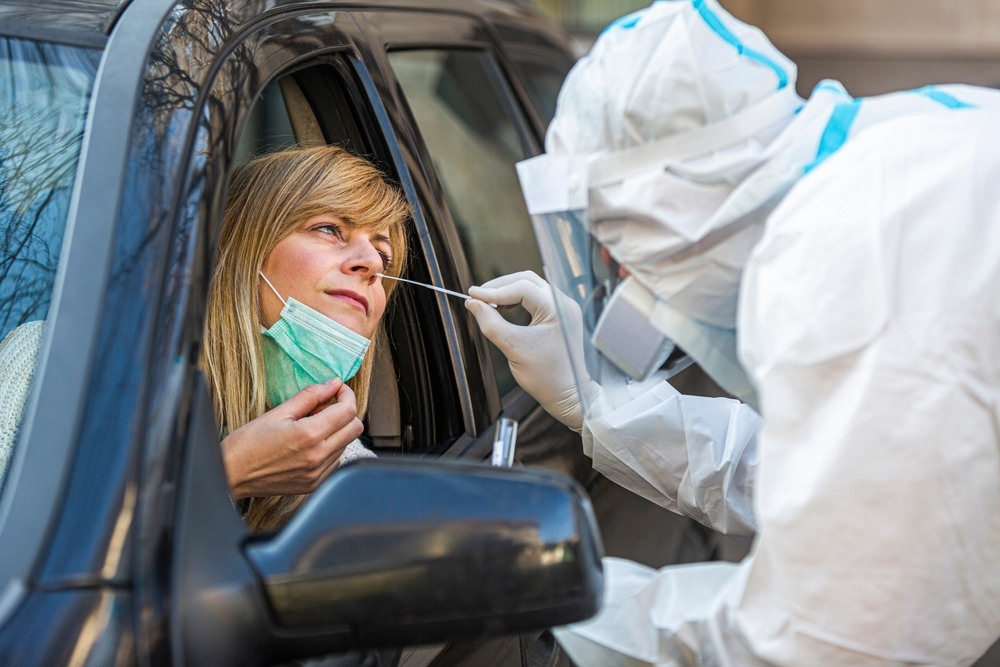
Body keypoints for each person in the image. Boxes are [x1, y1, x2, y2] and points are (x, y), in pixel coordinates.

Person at [465, 1, 1000, 664]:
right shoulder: (901, 150)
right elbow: (831, 477)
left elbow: (826, 638)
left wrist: (558, 592)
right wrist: (601, 407)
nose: (627, 277)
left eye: (620, 246)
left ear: (677, 205)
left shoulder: (853, 245)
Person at [201, 145, 409, 532]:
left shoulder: (358, 486)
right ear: (236, 250)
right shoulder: (68, 374)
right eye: (329, 228)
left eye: (385, 254)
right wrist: (229, 471)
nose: (374, 264)